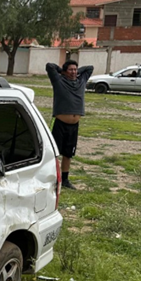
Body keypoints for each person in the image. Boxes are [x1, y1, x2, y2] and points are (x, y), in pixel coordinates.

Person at [46, 60, 95, 190]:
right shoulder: (59, 81)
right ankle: (52, 177)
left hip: (74, 125)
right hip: (59, 123)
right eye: (71, 70)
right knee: (54, 152)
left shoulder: (81, 81)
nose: (74, 72)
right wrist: (61, 71)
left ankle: (65, 179)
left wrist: (77, 71)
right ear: (64, 71)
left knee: (68, 153)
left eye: (75, 70)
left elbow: (90, 67)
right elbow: (49, 66)